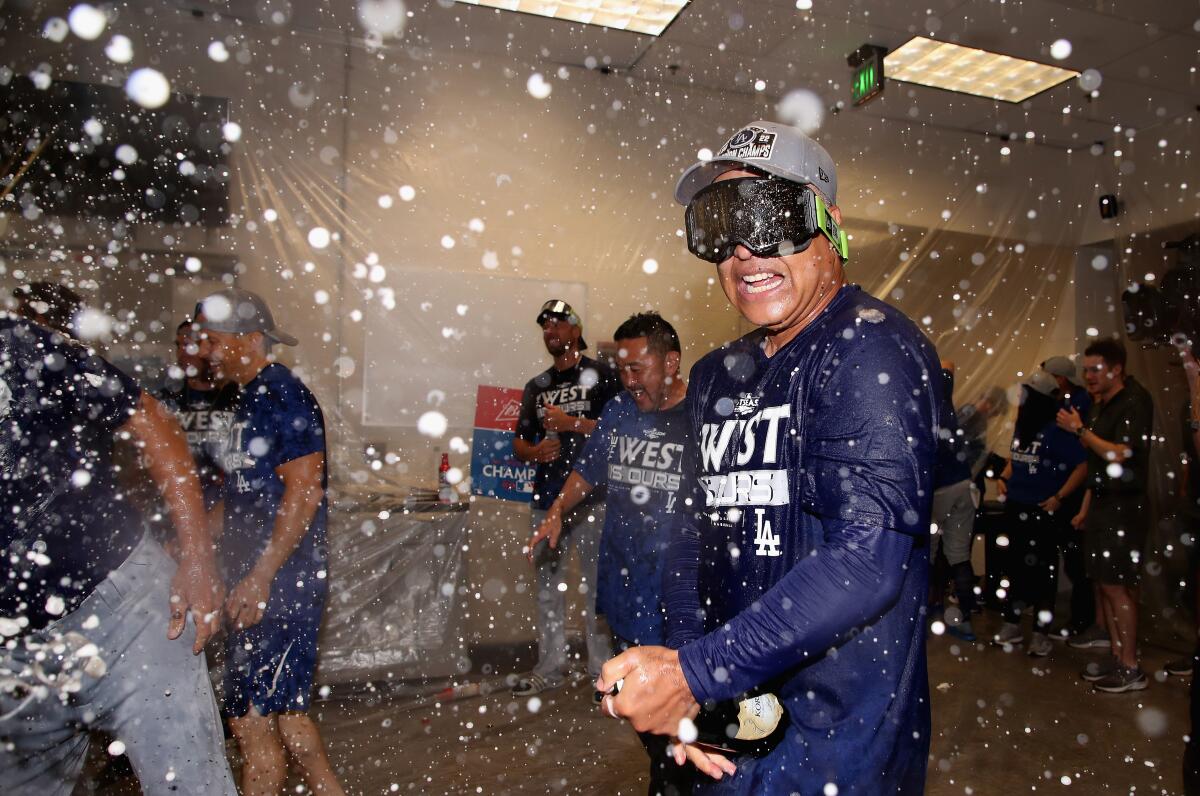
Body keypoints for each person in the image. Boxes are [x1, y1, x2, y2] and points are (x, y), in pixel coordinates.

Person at [597, 121, 943, 793]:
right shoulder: (716, 375)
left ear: (830, 226)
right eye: (719, 229)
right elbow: (692, 533)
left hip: (834, 749)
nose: (744, 252)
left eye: (772, 217)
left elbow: (866, 559)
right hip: (729, 730)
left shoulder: (871, 350)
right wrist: (690, 691)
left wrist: (692, 677)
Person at [0, 283, 235, 795]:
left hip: (121, 606)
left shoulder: (21, 345)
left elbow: (152, 422)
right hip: (14, 650)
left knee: (191, 784)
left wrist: (197, 557)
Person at [528, 311, 694, 796]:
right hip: (625, 590)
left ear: (671, 363)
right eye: (621, 369)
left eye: (638, 368)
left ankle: (674, 781)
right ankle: (671, 775)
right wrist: (558, 507)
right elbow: (590, 468)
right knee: (641, 712)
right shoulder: (620, 411)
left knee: (676, 714)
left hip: (679, 597)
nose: (628, 380)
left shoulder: (702, 414)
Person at [197, 288, 346, 796]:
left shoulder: (282, 395)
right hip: (262, 586)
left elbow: (303, 493)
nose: (205, 352)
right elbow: (242, 494)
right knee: (289, 724)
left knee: (251, 723)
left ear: (250, 339)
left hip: (281, 588)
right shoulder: (248, 401)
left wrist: (261, 576)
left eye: (213, 341)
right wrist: (190, 547)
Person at [512, 299, 620, 697]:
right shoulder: (536, 387)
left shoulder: (603, 374)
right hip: (546, 500)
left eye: (558, 324)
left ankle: (602, 672)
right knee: (547, 590)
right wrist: (534, 452)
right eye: (545, 326)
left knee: (597, 590)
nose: (551, 331)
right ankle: (551, 666)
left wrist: (570, 423)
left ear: (576, 330)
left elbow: (618, 431)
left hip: (593, 500)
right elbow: (520, 443)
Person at [1056, 338, 1153, 693]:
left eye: (1096, 369)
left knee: (1117, 586)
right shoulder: (1102, 404)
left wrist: (1080, 430)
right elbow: (1096, 458)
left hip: (1123, 506)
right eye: (1086, 369)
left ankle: (1131, 665)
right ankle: (1117, 656)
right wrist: (1085, 509)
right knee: (1103, 583)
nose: (1089, 376)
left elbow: (1120, 454)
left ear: (1117, 369)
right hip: (1100, 503)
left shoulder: (1134, 401)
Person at [992, 370, 1088, 656]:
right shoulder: (1024, 426)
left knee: (1043, 573)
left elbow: (1082, 466)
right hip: (1016, 507)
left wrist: (1059, 497)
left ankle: (1040, 633)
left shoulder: (1057, 431)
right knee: (1013, 568)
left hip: (1040, 511)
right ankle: (1012, 622)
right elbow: (1016, 458)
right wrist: (1004, 477)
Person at [1039, 355, 1097, 640]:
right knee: (1051, 559)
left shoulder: (1082, 403)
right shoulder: (1053, 402)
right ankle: (1048, 619)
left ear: (1060, 378)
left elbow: (1084, 457)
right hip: (1053, 490)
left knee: (1076, 562)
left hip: (1071, 492)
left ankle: (1082, 620)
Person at [157, 317, 238, 513]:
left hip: (227, 511)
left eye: (189, 345)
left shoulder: (236, 398)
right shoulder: (166, 402)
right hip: (175, 510)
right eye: (179, 345)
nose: (182, 353)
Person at [931, 360, 981, 641]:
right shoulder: (942, 391)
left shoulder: (920, 399)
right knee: (959, 555)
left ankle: (926, 613)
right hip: (963, 483)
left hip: (940, 488)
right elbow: (949, 363)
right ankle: (964, 618)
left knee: (929, 554)